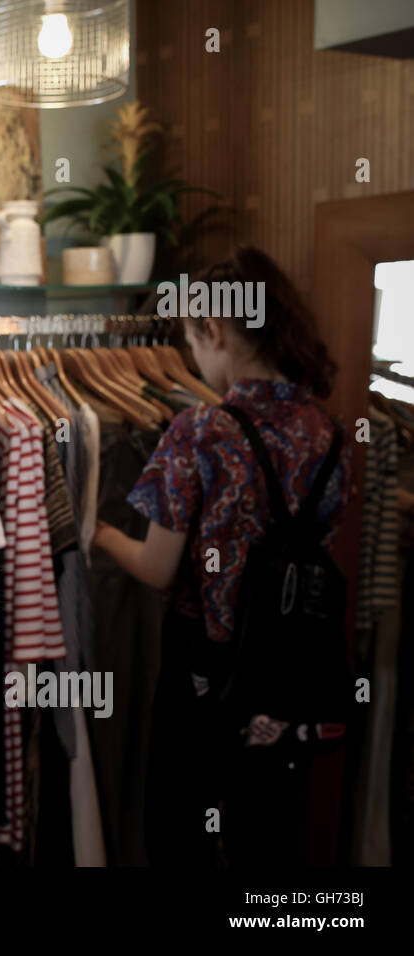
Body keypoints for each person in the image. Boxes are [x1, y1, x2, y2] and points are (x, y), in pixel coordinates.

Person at [92, 246, 353, 866]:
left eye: (191, 340)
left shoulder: (200, 431)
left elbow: (157, 567)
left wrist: (100, 533)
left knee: (185, 830)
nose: (193, 360)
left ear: (213, 328)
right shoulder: (329, 429)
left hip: (207, 672)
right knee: (269, 828)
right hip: (290, 667)